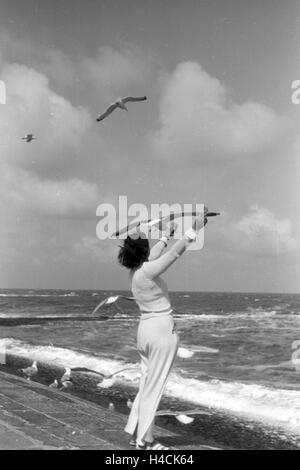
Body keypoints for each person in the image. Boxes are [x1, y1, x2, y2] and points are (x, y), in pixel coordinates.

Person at [118, 211, 208, 450]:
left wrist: (166, 234)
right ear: (143, 252)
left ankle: (136, 433)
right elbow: (173, 255)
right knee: (154, 388)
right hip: (160, 332)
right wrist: (194, 229)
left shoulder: (136, 272)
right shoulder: (148, 270)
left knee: (147, 386)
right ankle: (145, 442)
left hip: (145, 331)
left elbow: (156, 254)